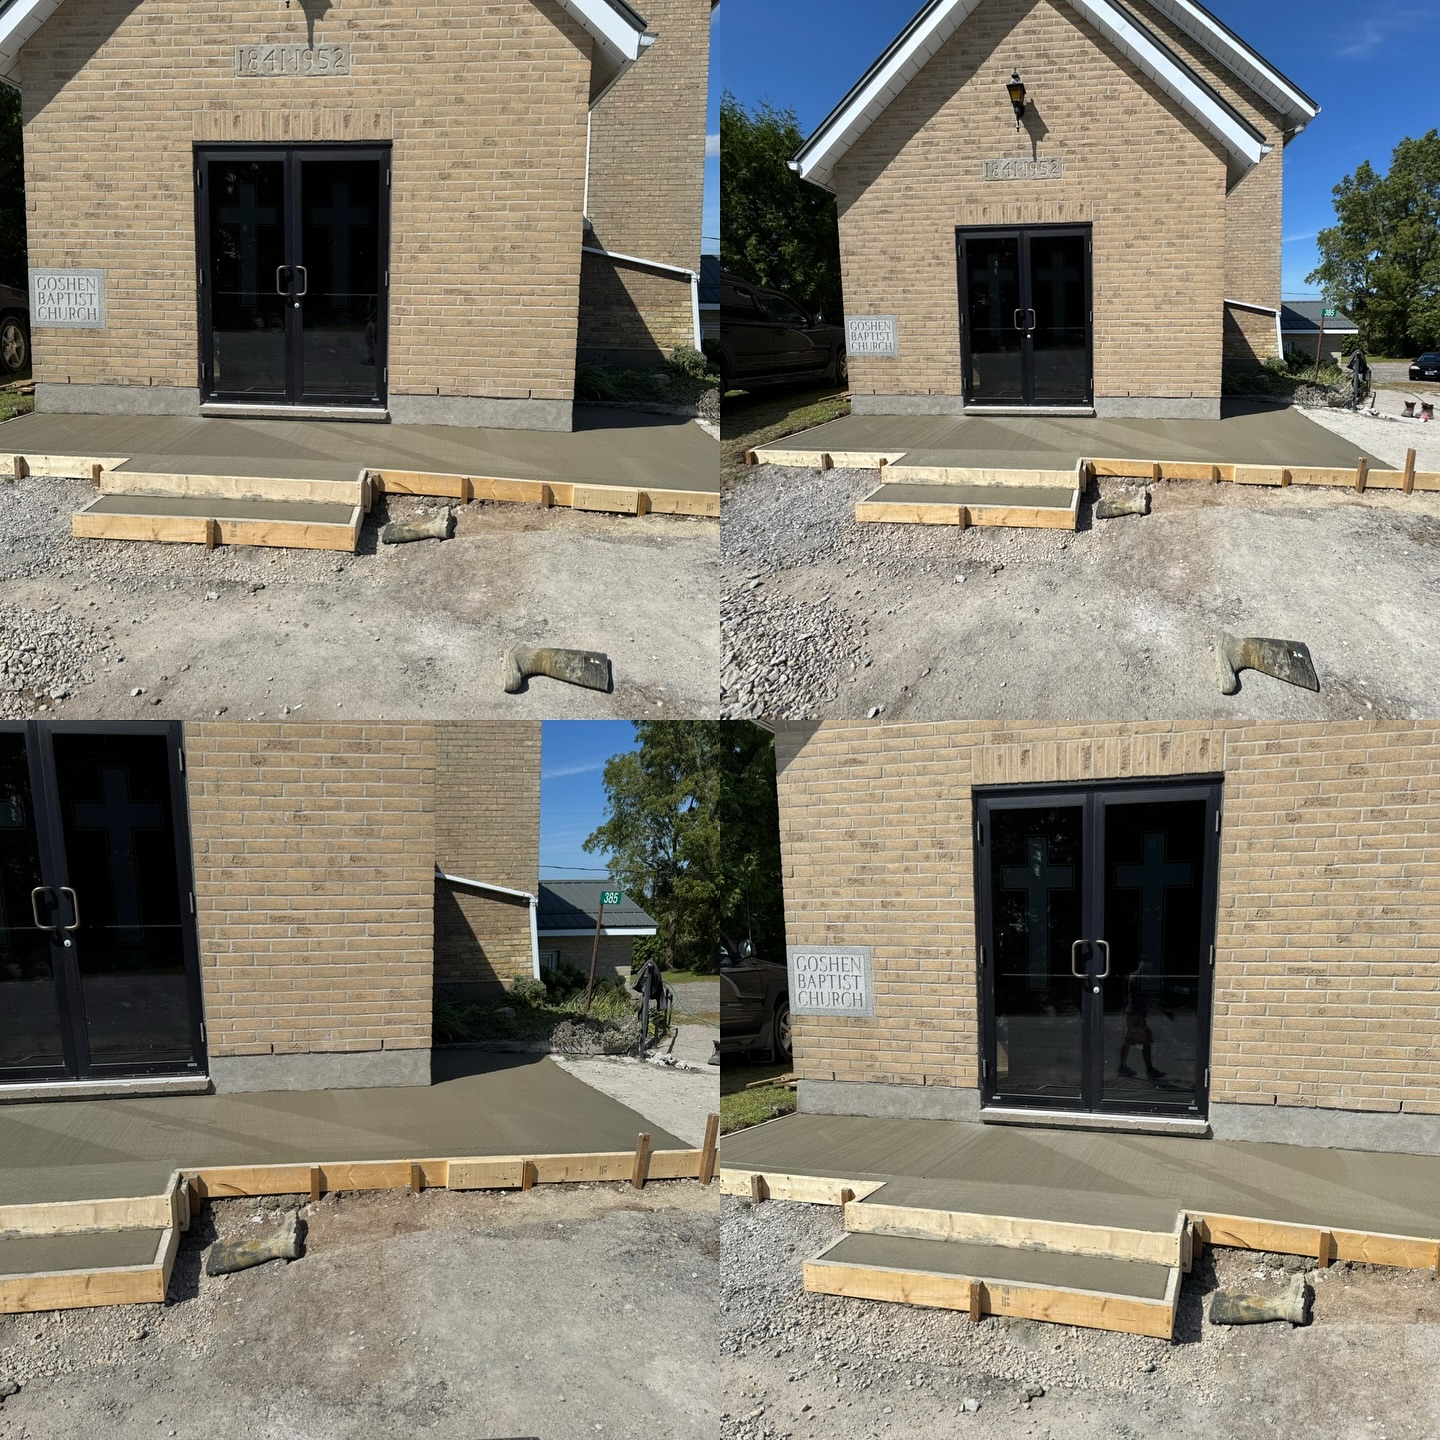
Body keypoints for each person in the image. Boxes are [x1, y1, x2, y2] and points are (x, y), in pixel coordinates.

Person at [1117, 960, 1165, 1081]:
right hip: (1136, 1015)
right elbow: (1144, 995)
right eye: (1148, 964)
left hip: (1134, 1014)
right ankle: (1149, 1069)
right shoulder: (1138, 978)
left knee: (1130, 1040)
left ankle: (1123, 1067)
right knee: (1145, 1040)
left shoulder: (1134, 977)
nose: (1150, 967)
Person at [1347, 345, 1370, 410]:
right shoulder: (1358, 354)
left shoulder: (1359, 355)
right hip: (1357, 369)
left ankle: (1357, 395)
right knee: (1354, 380)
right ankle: (1356, 396)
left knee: (1355, 381)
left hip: (1358, 369)